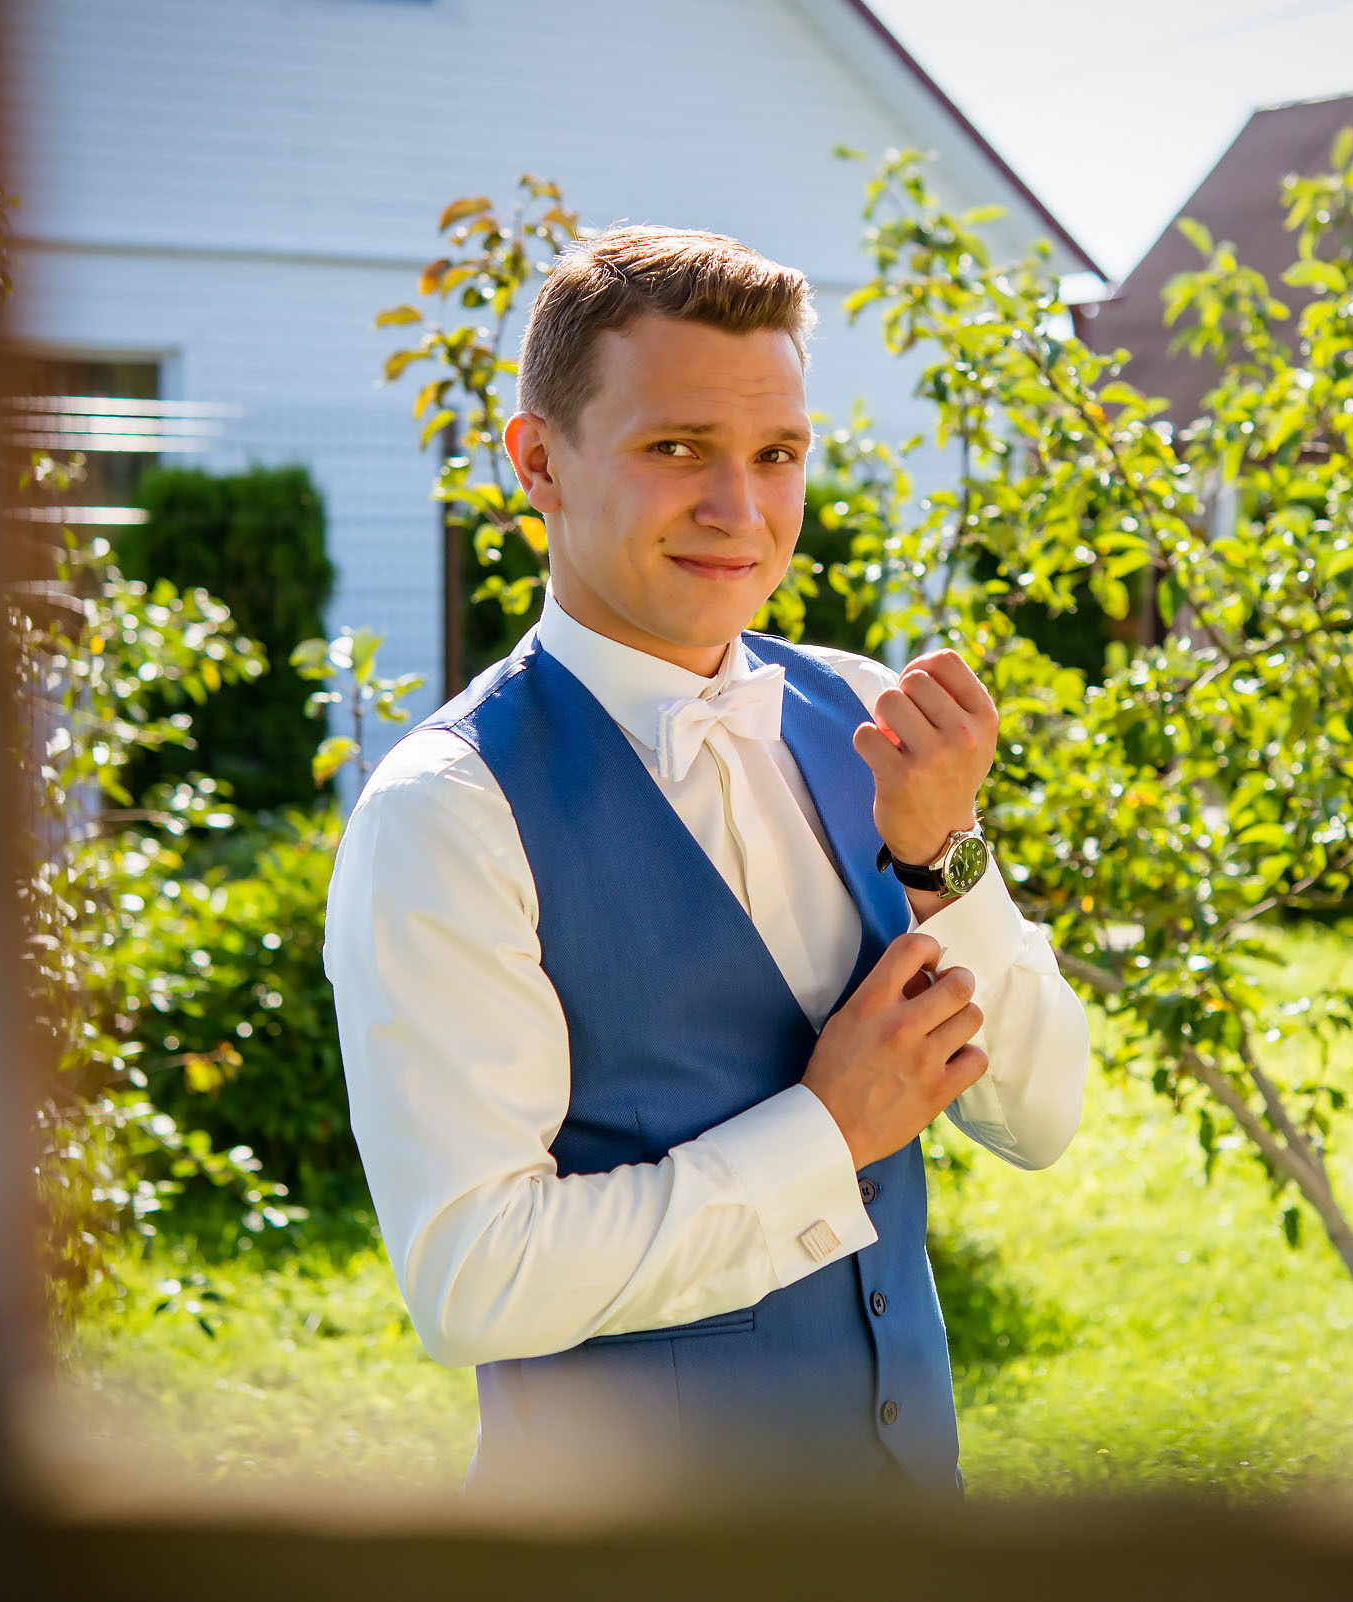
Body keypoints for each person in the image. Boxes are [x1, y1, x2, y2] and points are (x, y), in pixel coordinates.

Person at [323, 225, 1091, 1508]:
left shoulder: (860, 716)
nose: (740, 511)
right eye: (677, 449)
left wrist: (944, 855)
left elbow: (1040, 1116)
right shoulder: (447, 814)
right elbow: (475, 1281)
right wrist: (829, 1133)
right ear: (538, 464)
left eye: (776, 455)